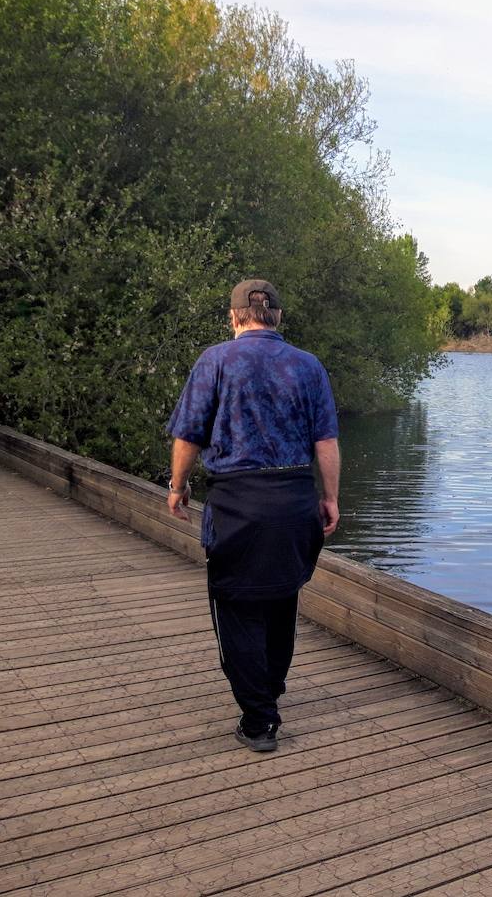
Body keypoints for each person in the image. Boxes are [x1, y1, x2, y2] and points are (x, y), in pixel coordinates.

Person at [165, 278, 340, 753]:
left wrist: (177, 486)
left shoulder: (216, 360)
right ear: (278, 316)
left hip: (238, 504)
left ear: (235, 316)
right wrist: (330, 498)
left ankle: (260, 720)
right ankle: (269, 691)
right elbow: (325, 441)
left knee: (237, 608)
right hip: (294, 501)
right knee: (283, 601)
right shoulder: (308, 366)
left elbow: (189, 435)